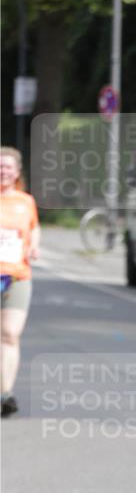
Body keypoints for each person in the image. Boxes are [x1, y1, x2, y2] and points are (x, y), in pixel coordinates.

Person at [0, 146, 40, 418]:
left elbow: (34, 227)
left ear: (17, 172)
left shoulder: (26, 201)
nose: (3, 172)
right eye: (0, 167)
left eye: (8, 167)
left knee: (10, 334)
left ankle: (5, 394)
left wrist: (34, 246)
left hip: (17, 276)